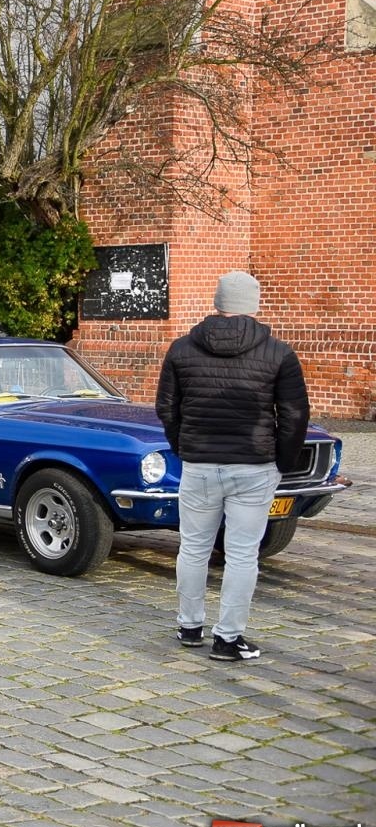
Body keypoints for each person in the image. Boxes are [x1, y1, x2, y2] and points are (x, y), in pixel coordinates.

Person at [156, 271, 308, 663]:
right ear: (253, 305)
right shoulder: (279, 353)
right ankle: (228, 638)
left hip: (200, 463)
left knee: (193, 547)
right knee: (242, 555)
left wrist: (183, 447)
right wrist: (283, 463)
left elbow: (167, 409)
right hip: (254, 465)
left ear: (217, 302)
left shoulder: (181, 349)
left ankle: (189, 626)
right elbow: (293, 415)